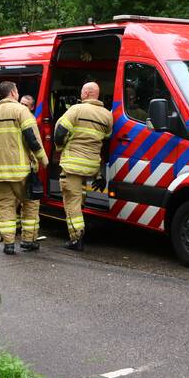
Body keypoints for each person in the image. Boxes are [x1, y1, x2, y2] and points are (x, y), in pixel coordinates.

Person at [0, 81, 48, 255]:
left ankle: (8, 243)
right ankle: (28, 240)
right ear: (13, 92)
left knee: (5, 207)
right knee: (30, 204)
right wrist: (43, 160)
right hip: (20, 172)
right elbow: (32, 138)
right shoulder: (22, 111)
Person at [54, 81, 114, 251]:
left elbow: (59, 134)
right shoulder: (107, 116)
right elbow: (106, 143)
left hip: (72, 164)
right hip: (91, 165)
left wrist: (61, 147)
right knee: (80, 197)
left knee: (71, 201)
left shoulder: (76, 110)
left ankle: (76, 238)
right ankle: (78, 228)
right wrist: (100, 173)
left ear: (86, 94)